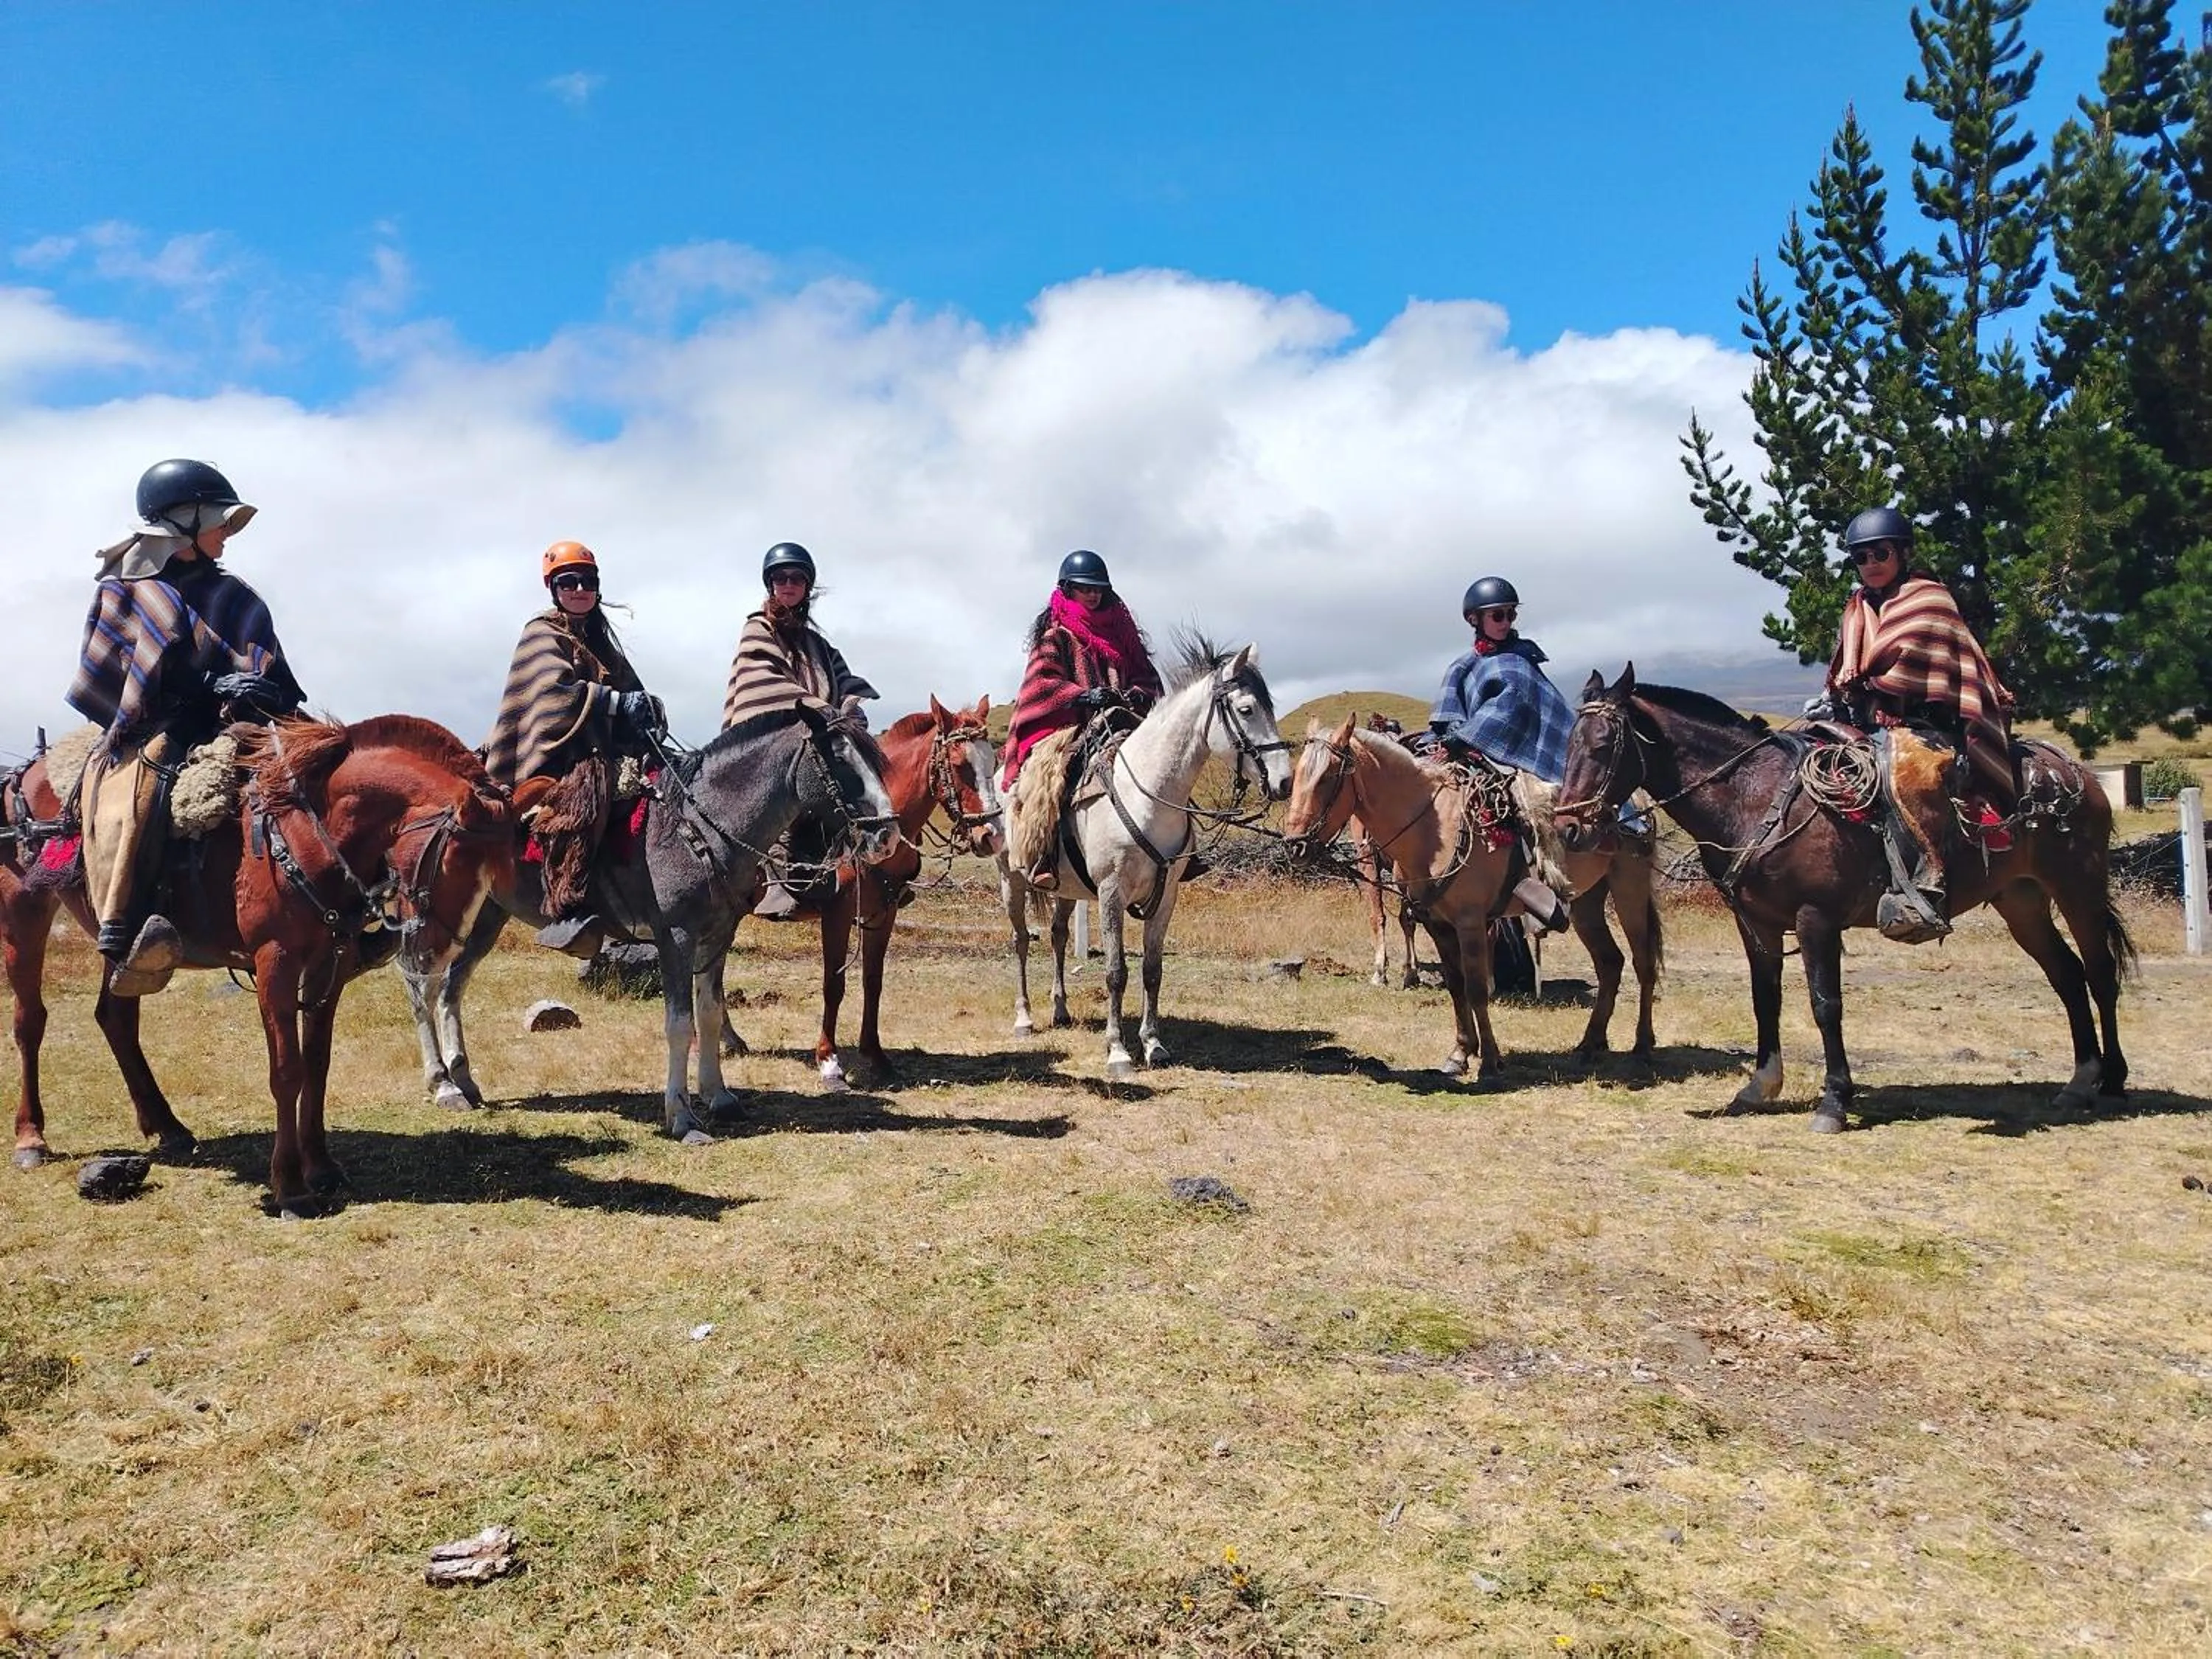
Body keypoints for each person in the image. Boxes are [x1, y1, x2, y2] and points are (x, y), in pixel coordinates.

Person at [67, 459, 306, 996]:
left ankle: (354, 912)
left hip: (244, 721)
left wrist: (267, 690)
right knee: (144, 790)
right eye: (219, 520)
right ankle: (126, 925)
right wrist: (209, 685)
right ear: (182, 522)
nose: (227, 532)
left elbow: (272, 667)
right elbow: (124, 676)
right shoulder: (127, 590)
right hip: (164, 723)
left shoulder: (234, 593)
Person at [1813, 505, 2015, 945]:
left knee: (1908, 775)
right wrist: (1834, 701)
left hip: (1928, 722)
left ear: (1903, 553)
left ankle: (1926, 884)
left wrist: (1872, 686)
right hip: (1868, 720)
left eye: (1880, 554)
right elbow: (1848, 668)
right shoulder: (1857, 608)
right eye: (1861, 557)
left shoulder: (1929, 599)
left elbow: (1917, 667)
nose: (1870, 564)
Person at [482, 540, 662, 956]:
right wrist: (617, 703)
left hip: (604, 750)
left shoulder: (599, 641)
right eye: (569, 582)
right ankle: (568, 908)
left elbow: (630, 688)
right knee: (586, 793)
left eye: (588, 582)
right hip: (555, 756)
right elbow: (553, 696)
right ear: (554, 588)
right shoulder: (541, 632)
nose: (580, 589)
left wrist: (648, 708)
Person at [720, 542, 880, 917]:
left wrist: (852, 708)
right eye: (781, 578)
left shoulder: (818, 644)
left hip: (815, 738)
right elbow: (763, 684)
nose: (788, 584)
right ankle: (773, 881)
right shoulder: (757, 629)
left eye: (796, 578)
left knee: (859, 784)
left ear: (807, 587)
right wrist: (822, 711)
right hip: (767, 743)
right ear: (771, 584)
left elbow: (843, 680)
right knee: (789, 783)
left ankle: (868, 875)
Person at [1001, 549, 1166, 891]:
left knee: (1165, 761)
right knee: (1050, 775)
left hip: (1122, 720)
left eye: (1098, 588)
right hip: (1070, 728)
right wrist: (1081, 695)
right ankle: (1043, 855)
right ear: (1068, 589)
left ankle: (1180, 848)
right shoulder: (1055, 635)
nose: (1093, 594)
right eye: (1084, 588)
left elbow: (1146, 676)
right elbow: (1040, 683)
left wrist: (1137, 693)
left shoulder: (1123, 634)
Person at [1424, 576, 1574, 932]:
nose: (1506, 622)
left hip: (1519, 753)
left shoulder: (1519, 661)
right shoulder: (1463, 665)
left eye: (1510, 614)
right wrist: (1444, 740)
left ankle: (1544, 885)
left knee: (1531, 804)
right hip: (1472, 750)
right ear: (1474, 619)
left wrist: (1464, 739)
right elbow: (1451, 713)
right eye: (1498, 615)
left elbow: (1511, 707)